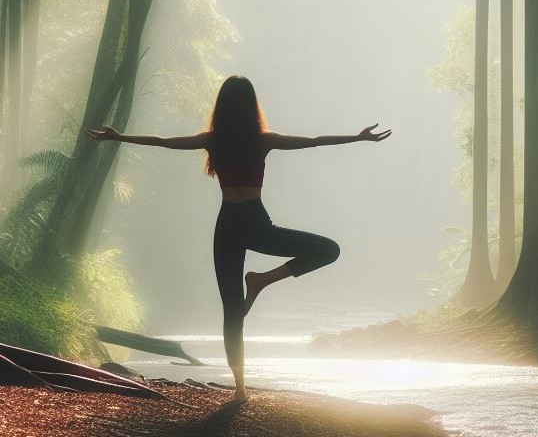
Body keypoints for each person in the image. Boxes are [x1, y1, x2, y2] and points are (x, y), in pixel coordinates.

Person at [86, 75, 391, 404]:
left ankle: (244, 373)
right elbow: (314, 140)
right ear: (251, 106)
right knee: (327, 251)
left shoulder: (214, 140)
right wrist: (358, 138)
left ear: (222, 106)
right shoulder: (261, 140)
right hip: (256, 224)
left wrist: (118, 137)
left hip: (229, 225)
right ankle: (250, 338)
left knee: (232, 311)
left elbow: (162, 141)